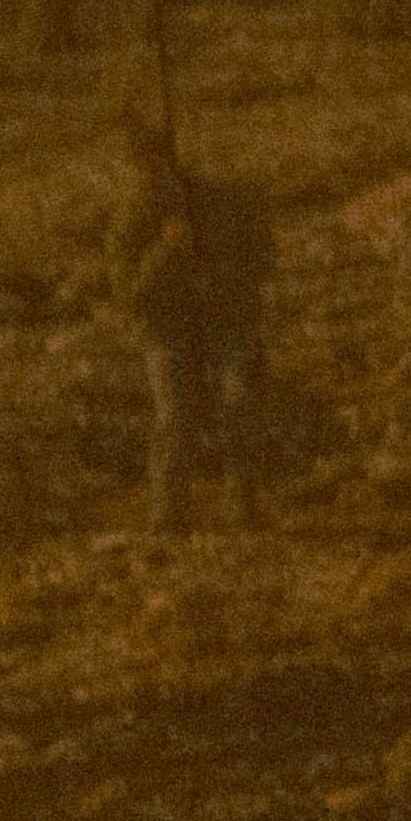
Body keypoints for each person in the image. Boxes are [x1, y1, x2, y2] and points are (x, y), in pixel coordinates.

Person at [106, 113, 276, 536]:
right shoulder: (130, 223)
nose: (151, 176)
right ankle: (168, 517)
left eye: (158, 164)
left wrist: (224, 281)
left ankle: (243, 506)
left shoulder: (215, 202)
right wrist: (167, 252)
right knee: (174, 418)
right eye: (143, 168)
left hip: (219, 320)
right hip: (167, 330)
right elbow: (130, 295)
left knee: (239, 401)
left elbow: (260, 254)